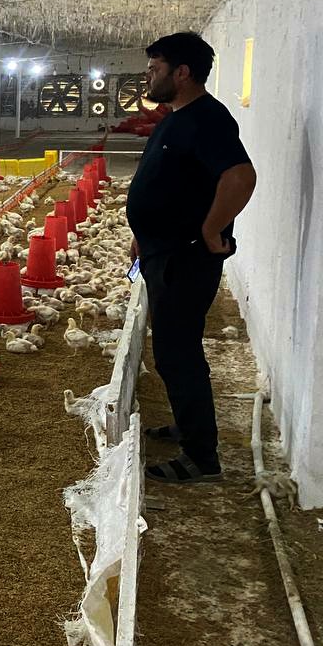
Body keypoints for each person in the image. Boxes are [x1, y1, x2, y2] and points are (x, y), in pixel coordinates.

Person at [126, 32, 256, 484]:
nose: (148, 75)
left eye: (155, 68)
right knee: (174, 349)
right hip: (164, 252)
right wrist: (143, 233)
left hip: (185, 258)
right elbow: (170, 181)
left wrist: (211, 229)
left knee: (178, 353)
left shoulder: (208, 119)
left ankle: (201, 456)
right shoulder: (177, 117)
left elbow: (240, 176)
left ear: (182, 72)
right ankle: (188, 424)